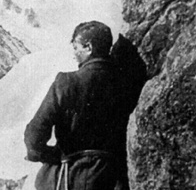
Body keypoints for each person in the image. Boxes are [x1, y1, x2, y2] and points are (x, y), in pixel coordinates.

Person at [24, 21, 146, 190]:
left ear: (88, 48)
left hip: (69, 176)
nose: (74, 54)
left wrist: (55, 155)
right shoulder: (126, 83)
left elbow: (34, 137)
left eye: (76, 47)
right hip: (110, 177)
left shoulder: (65, 83)